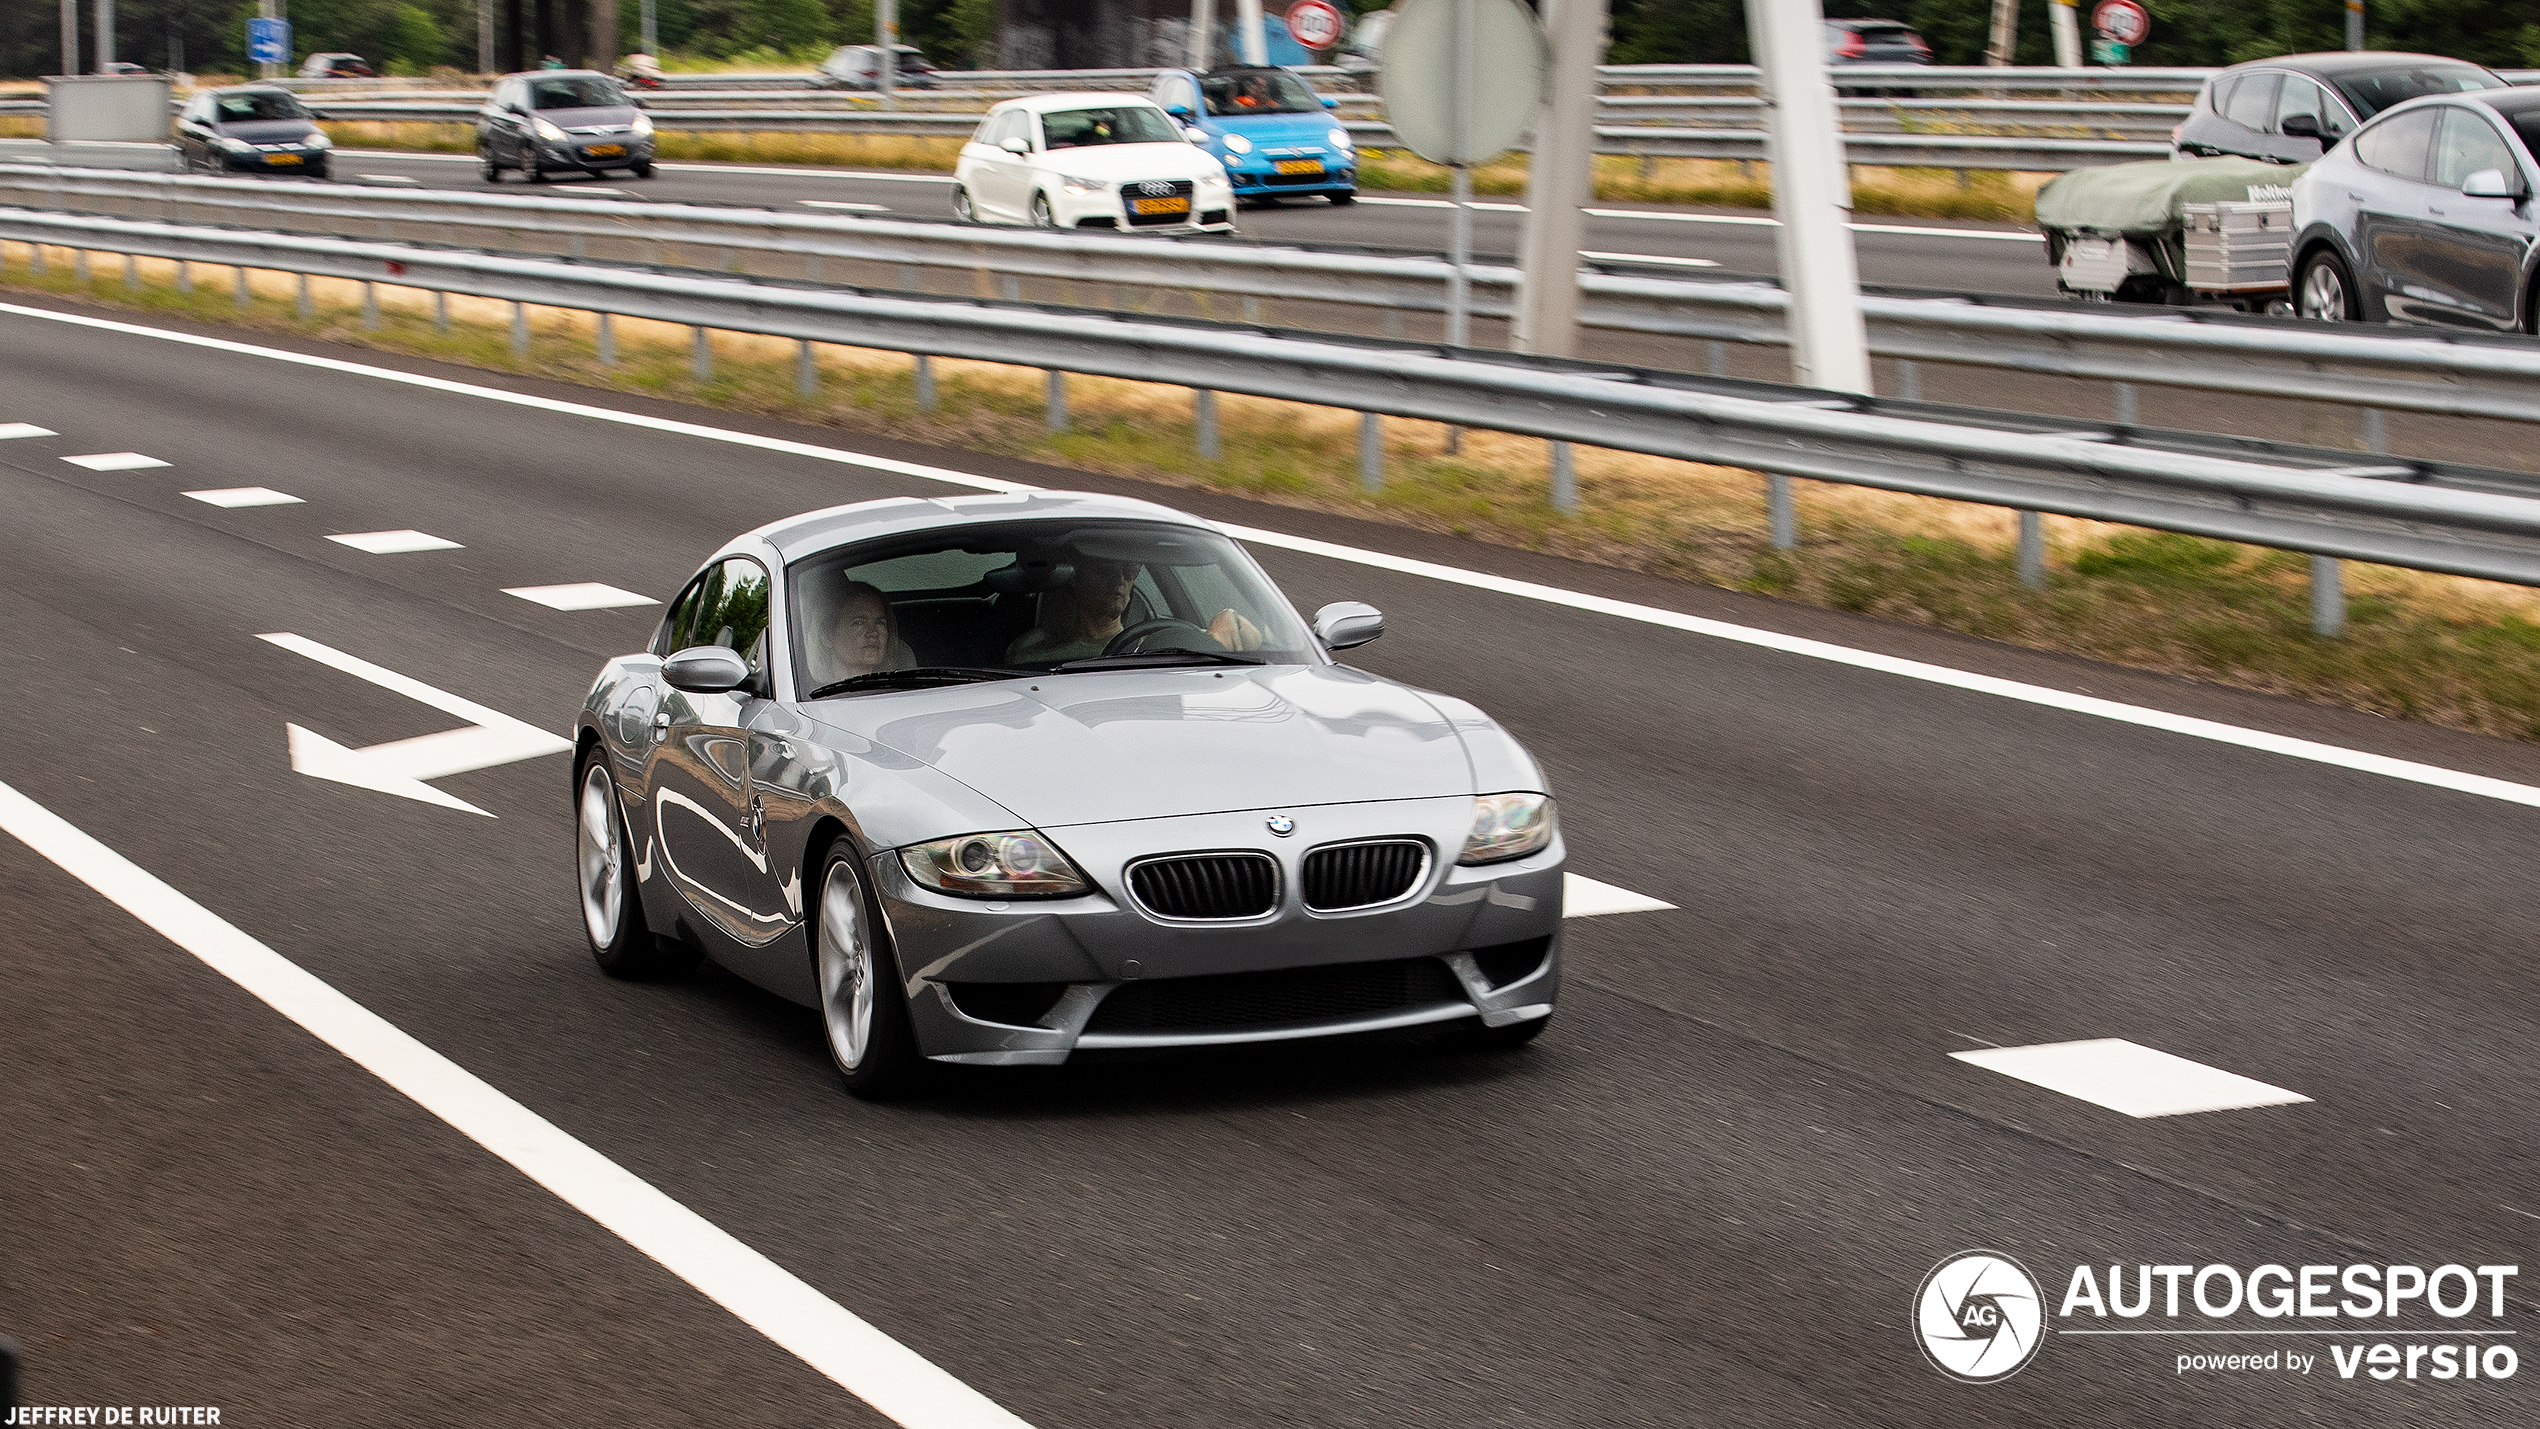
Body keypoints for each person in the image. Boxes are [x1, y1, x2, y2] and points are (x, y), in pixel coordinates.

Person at [1005, 553, 1261, 664]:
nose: (1119, 580)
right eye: (1106, 571)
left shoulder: (1164, 644)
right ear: (1077, 576)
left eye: (1129, 571)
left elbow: (1260, 642)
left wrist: (1229, 618)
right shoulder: (1031, 650)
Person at [811, 581, 911, 686]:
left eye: (880, 623)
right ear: (827, 636)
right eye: (859, 623)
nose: (873, 633)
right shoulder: (805, 696)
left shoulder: (903, 693)